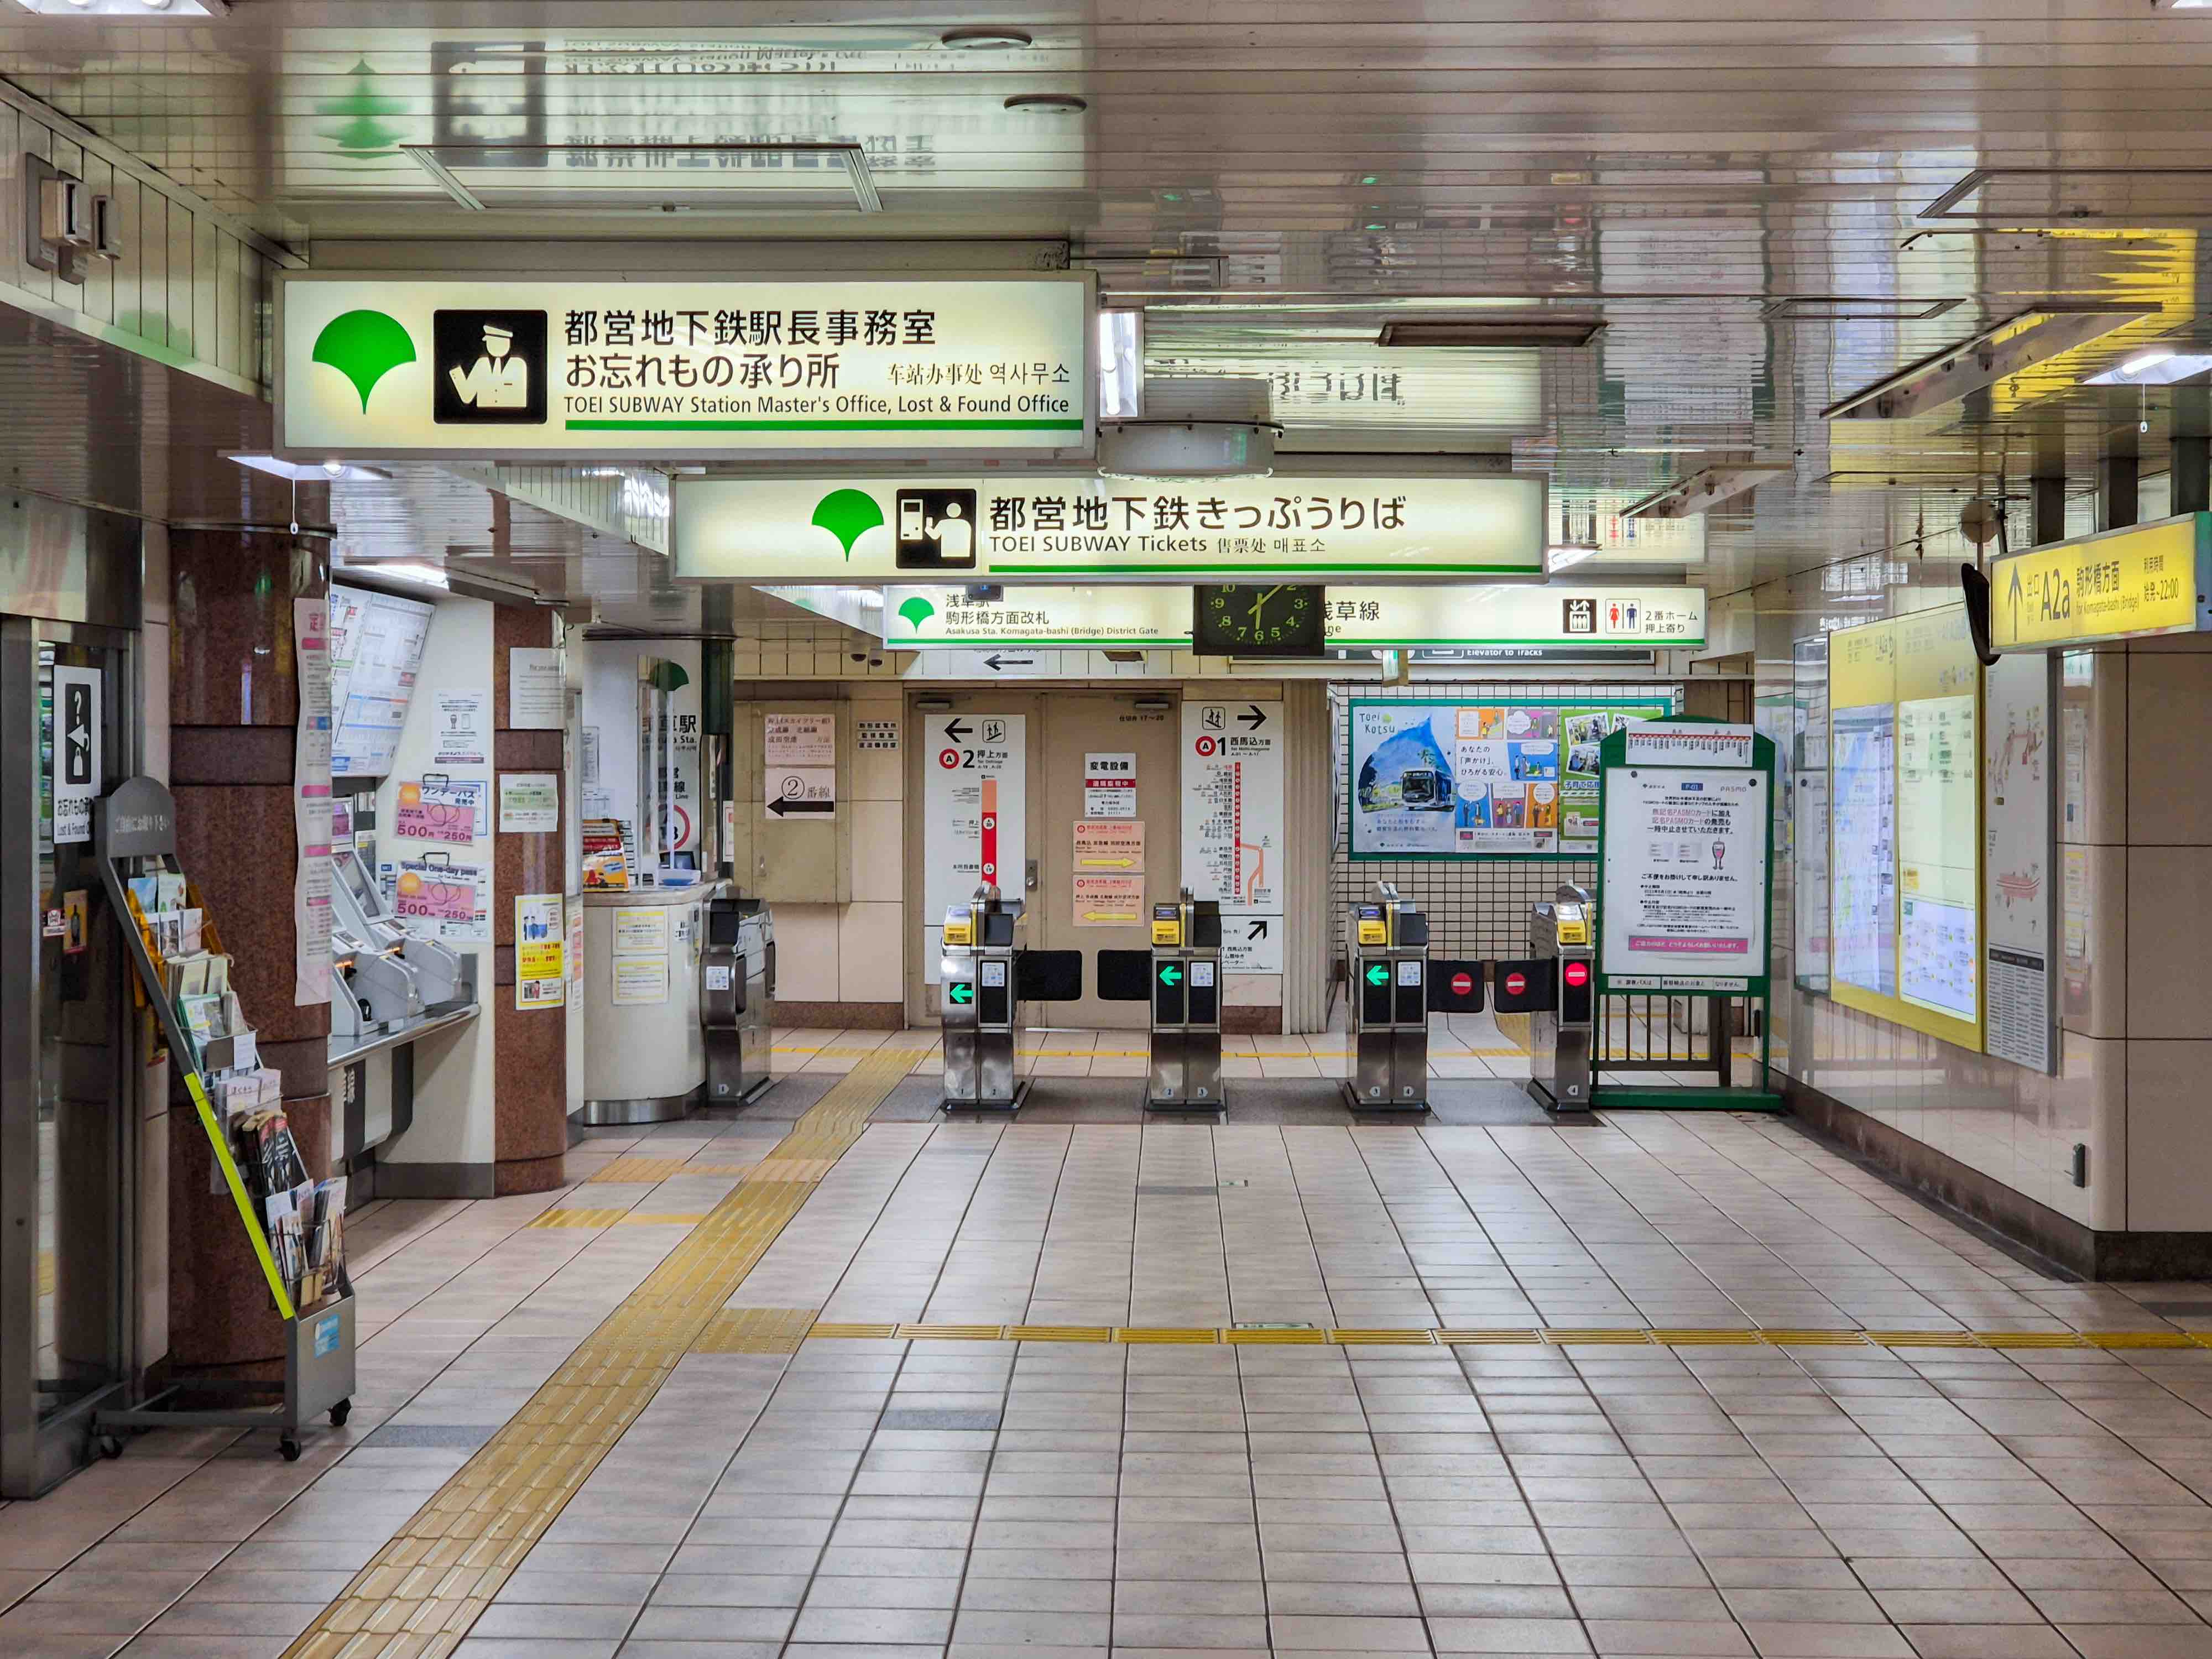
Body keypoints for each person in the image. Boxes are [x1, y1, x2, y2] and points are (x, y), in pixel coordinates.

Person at [448, 323, 529, 409]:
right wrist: (455, 369)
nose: (489, 346)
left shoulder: (519, 365)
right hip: (481, 417)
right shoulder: (482, 364)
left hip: (513, 417)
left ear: (506, 343)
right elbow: (467, 396)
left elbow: (520, 399)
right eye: (489, 343)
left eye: (492, 342)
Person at [926, 498, 974, 564]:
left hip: (946, 556)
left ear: (948, 511)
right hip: (963, 556)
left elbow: (934, 536)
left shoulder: (943, 523)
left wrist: (927, 527)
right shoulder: (966, 524)